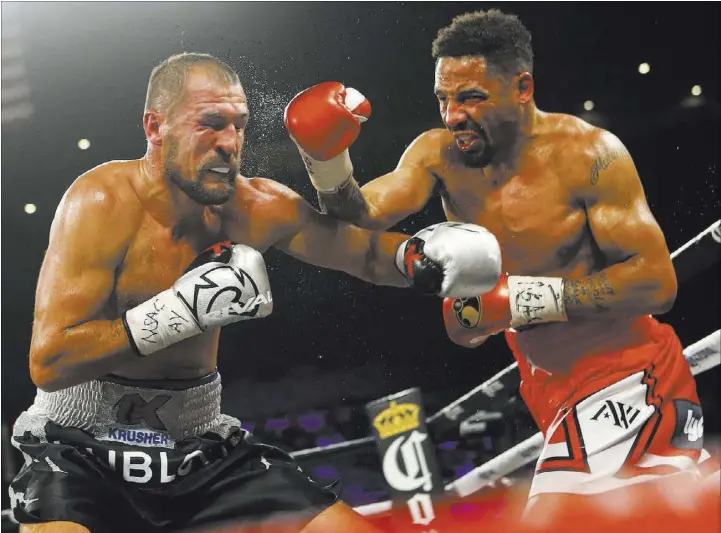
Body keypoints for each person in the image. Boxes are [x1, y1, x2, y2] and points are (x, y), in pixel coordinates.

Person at [8, 52, 504, 533]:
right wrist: (181, 310)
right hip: (80, 445)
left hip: (197, 447)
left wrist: (420, 258)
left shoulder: (257, 206)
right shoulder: (102, 201)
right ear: (155, 127)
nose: (230, 142)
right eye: (211, 122)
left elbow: (365, 254)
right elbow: (50, 362)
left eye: (239, 125)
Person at [284, 9, 705, 522]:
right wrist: (326, 161)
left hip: (629, 378)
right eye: (443, 98)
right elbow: (360, 216)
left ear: (522, 87)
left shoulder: (590, 155)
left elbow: (656, 282)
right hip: (549, 393)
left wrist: (521, 299)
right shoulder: (439, 156)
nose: (453, 115)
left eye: (471, 97)